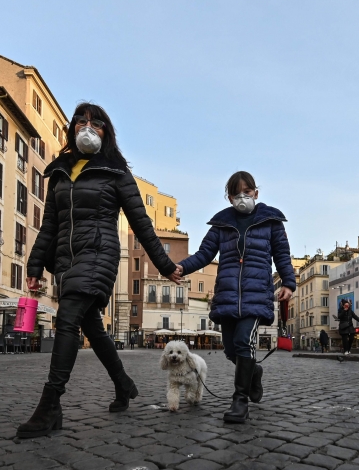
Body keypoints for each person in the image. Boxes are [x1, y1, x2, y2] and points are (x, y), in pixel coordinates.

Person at [17, 103, 181, 438]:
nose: (87, 126)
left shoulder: (116, 171)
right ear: (72, 128)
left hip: (100, 254)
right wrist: (35, 266)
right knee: (93, 327)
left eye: (96, 123)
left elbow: (142, 224)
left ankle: (50, 405)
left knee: (67, 319)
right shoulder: (60, 173)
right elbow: (49, 226)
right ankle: (123, 384)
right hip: (66, 261)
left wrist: (165, 266)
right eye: (81, 121)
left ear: (106, 132)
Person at [176, 171, 295, 424]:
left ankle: (240, 400)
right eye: (237, 193)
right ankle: (254, 372)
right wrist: (182, 268)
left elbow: (282, 254)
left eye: (247, 192)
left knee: (244, 342)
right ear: (229, 197)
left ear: (256, 193)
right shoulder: (222, 223)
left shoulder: (271, 221)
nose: (243, 197)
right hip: (228, 295)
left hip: (256, 295)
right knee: (231, 350)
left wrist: (289, 283)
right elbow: (204, 254)